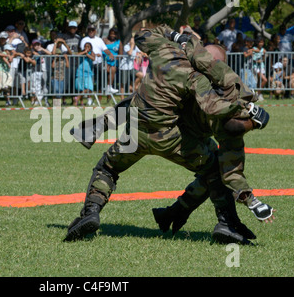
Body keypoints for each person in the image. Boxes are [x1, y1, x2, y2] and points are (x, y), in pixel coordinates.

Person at [65, 25, 273, 244]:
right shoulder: (199, 80)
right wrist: (251, 116)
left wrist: (175, 35)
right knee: (214, 170)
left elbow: (142, 36)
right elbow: (222, 116)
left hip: (136, 131)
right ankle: (226, 223)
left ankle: (91, 212)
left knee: (107, 167)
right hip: (171, 138)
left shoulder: (163, 50)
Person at [80, 25, 115, 95]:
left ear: (95, 31)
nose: (91, 31)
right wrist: (95, 55)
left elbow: (105, 49)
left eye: (92, 30)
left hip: (98, 62)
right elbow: (85, 51)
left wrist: (110, 54)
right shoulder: (84, 40)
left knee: (106, 72)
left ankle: (107, 88)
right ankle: (87, 97)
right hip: (88, 63)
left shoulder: (99, 40)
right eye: (89, 30)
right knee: (90, 81)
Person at [74, 42, 95, 106]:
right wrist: (84, 52)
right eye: (85, 46)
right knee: (81, 89)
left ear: (90, 47)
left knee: (89, 88)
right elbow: (76, 55)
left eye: (88, 46)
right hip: (80, 72)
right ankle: (81, 102)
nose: (87, 48)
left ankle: (77, 98)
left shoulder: (91, 53)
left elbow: (93, 58)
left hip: (88, 73)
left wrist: (87, 54)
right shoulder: (81, 52)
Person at [103, 28, 122, 95]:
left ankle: (109, 87)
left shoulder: (119, 42)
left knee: (113, 69)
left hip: (114, 62)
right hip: (104, 61)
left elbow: (121, 55)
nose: (112, 35)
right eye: (111, 33)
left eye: (114, 34)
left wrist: (115, 58)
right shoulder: (104, 40)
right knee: (111, 70)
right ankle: (108, 87)